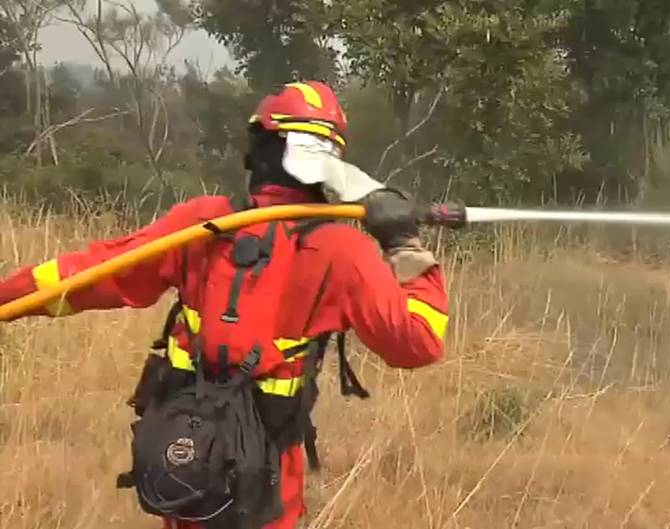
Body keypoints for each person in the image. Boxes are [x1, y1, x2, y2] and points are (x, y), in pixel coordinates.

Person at [0, 80, 448, 529]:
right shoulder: (340, 250)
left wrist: (7, 297)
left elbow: (94, 273)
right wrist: (404, 246)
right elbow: (418, 342)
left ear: (259, 149)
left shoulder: (203, 223)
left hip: (186, 465)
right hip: (266, 485)